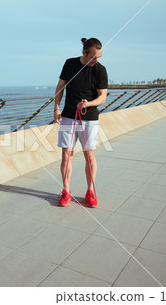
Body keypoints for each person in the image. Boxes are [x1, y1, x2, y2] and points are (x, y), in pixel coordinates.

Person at [54, 37, 108, 207]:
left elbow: (102, 97)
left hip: (89, 118)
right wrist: (56, 108)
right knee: (66, 156)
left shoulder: (100, 70)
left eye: (99, 57)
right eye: (94, 57)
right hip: (69, 116)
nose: (96, 61)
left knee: (89, 155)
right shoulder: (69, 64)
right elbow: (60, 87)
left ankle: (90, 191)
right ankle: (66, 191)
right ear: (84, 53)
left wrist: (88, 103)